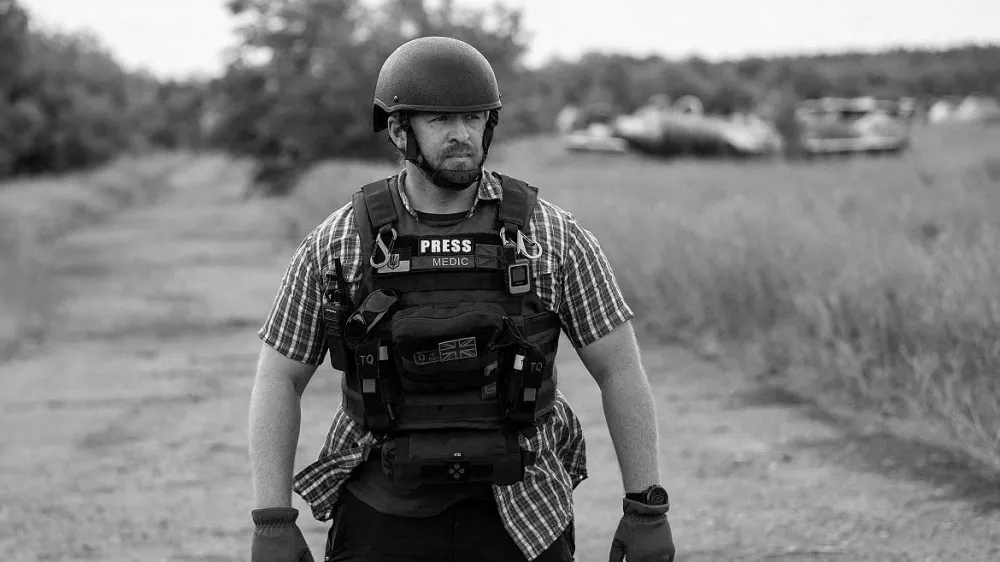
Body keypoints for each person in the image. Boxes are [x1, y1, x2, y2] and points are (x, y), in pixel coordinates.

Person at [247, 36, 676, 562]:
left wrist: (645, 506)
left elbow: (620, 370)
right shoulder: (341, 241)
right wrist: (271, 520)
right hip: (382, 508)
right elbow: (279, 376)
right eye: (439, 121)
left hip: (525, 507)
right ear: (399, 130)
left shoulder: (552, 235)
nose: (461, 135)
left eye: (473, 119)